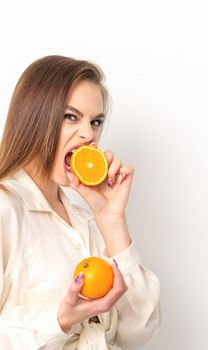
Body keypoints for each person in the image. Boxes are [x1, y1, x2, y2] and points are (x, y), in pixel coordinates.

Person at [0, 55, 161, 349]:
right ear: (34, 117)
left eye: (96, 121)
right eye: (70, 116)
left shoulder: (86, 219)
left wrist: (111, 219)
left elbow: (138, 331)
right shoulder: (5, 210)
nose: (89, 134)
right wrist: (59, 320)